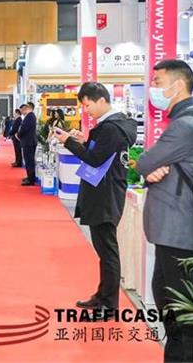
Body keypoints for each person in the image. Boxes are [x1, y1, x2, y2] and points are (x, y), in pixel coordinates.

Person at [55, 82, 136, 321]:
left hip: (105, 195)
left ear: (101, 100)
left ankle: (109, 305)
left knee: (108, 252)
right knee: (103, 250)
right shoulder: (112, 126)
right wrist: (83, 141)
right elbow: (100, 153)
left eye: (88, 105)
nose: (86, 110)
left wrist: (69, 142)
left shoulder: (112, 128)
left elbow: (94, 158)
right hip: (104, 192)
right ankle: (102, 296)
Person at [135, 60, 193, 362]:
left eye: (158, 82)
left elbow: (145, 162)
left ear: (178, 85)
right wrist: (154, 169)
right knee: (167, 299)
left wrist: (151, 167)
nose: (153, 88)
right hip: (176, 231)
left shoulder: (185, 125)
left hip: (180, 231)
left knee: (180, 313)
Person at [17, 102, 38, 186]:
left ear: (28, 108)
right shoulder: (29, 116)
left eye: (24, 109)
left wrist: (18, 135)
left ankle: (31, 179)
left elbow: (24, 128)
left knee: (29, 161)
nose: (22, 111)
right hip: (28, 142)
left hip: (29, 142)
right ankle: (29, 177)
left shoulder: (30, 117)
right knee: (28, 160)